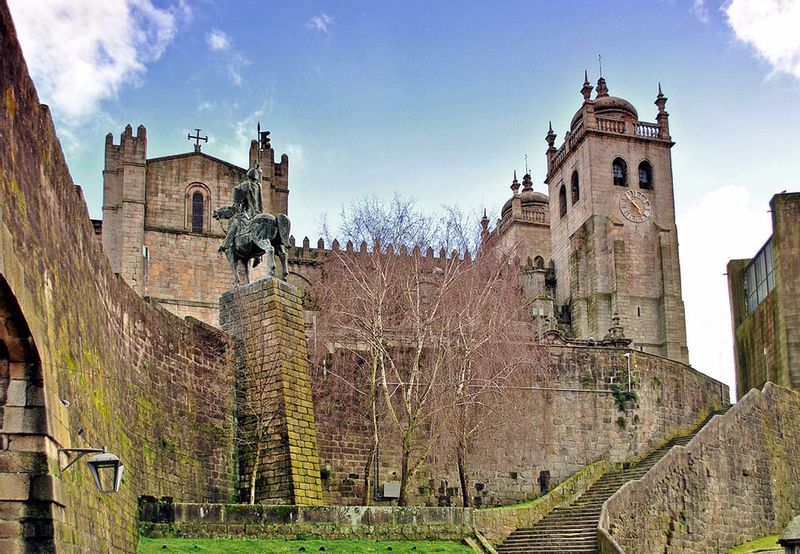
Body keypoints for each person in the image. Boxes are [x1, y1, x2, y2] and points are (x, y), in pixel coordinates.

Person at [219, 164, 262, 252]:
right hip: (258, 213)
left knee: (234, 223)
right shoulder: (258, 186)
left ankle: (226, 244)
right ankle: (257, 256)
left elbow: (236, 204)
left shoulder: (243, 185)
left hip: (248, 213)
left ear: (248, 176)